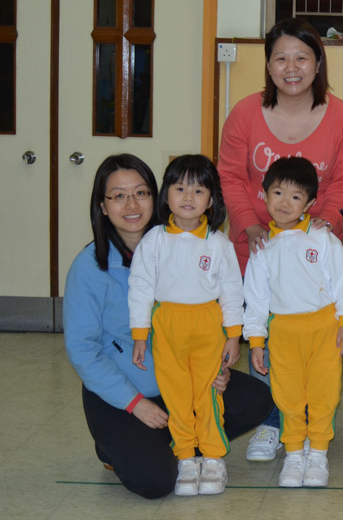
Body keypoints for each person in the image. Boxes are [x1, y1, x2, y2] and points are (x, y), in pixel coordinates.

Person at [64, 154, 272, 499]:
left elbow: (213, 310)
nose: (132, 205)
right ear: (102, 206)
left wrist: (217, 368)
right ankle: (122, 443)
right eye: (118, 196)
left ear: (156, 196)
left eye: (141, 193)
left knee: (257, 399)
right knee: (156, 481)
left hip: (187, 375)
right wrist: (135, 403)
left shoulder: (184, 242)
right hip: (125, 392)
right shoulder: (89, 267)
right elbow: (83, 351)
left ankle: (183, 442)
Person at [218, 17, 343, 462]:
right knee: (262, 328)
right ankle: (270, 421)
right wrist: (249, 223)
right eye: (281, 58)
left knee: (312, 338)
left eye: (302, 57)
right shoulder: (244, 113)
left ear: (318, 63)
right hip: (257, 244)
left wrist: (327, 222)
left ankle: (311, 423)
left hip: (312, 248)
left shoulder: (342, 116)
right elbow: (230, 175)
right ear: (268, 65)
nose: (291, 67)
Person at [128, 154, 244, 496]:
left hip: (208, 325)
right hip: (167, 327)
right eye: (180, 188)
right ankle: (186, 457)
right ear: (166, 195)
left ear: (211, 200)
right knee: (176, 396)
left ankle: (213, 457)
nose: (188, 197)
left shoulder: (219, 243)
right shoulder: (154, 240)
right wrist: (140, 334)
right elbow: (140, 288)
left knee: (208, 394)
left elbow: (232, 291)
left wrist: (233, 335)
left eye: (198, 190)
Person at [243, 157, 343, 488]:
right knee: (288, 395)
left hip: (324, 330)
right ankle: (294, 453)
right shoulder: (262, 247)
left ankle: (318, 453)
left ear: (309, 204)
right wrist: (256, 341)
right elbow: (255, 299)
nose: (285, 202)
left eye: (295, 197)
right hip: (283, 332)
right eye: (278, 193)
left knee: (324, 394)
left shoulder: (322, 238)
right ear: (265, 195)